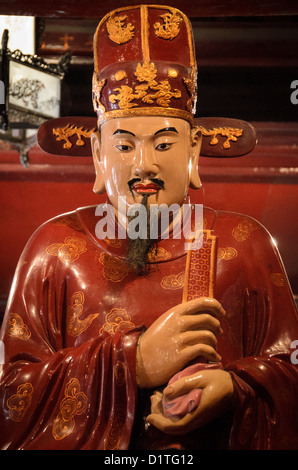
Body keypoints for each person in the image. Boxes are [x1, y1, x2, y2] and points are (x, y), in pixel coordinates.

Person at [0, 5, 297, 450]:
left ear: (194, 151)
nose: (144, 164)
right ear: (98, 156)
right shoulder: (54, 249)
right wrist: (132, 363)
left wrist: (236, 390)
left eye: (164, 142)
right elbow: (12, 397)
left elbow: (290, 371)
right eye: (123, 144)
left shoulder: (245, 244)